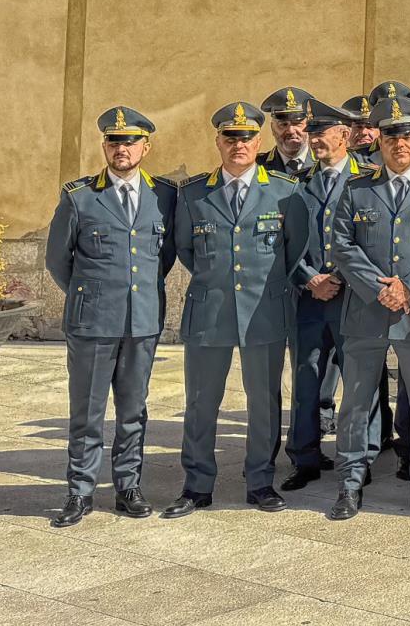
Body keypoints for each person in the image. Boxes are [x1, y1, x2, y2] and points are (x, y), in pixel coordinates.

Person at [164, 103, 310, 518]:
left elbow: (295, 248)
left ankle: (261, 481)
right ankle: (196, 485)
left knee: (263, 400)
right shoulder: (193, 193)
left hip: (264, 310)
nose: (239, 145)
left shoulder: (285, 191)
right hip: (209, 311)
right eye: (231, 137)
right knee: (200, 401)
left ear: (258, 142)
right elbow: (186, 249)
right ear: (218, 142)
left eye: (246, 138)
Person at [325, 98, 410, 519]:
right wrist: (378, 288)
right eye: (390, 136)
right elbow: (342, 245)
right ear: (380, 142)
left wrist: (408, 288)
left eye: (406, 136)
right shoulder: (356, 188)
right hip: (365, 311)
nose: (399, 144)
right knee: (355, 401)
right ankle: (351, 482)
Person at [45, 107, 178, 528]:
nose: (122, 149)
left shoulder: (165, 196)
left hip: (142, 321)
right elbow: (57, 260)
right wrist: (92, 294)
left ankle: (128, 486)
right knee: (87, 411)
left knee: (133, 410)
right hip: (93, 322)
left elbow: (165, 257)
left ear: (145, 148)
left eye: (130, 142)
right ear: (105, 146)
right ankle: (80, 491)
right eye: (114, 141)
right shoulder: (80, 196)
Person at [282, 100, 368, 492]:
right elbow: (283, 242)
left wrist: (345, 278)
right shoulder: (296, 182)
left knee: (360, 382)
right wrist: (309, 278)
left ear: (344, 135)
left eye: (322, 133)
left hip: (353, 297)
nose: (314, 140)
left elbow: (375, 241)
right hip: (310, 299)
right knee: (306, 379)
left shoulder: (368, 179)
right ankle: (305, 457)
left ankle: (361, 457)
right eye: (312, 133)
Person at [258, 88, 316, 178]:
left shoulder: (323, 163)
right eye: (283, 124)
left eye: (297, 123)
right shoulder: (257, 166)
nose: (291, 131)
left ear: (309, 126)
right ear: (272, 128)